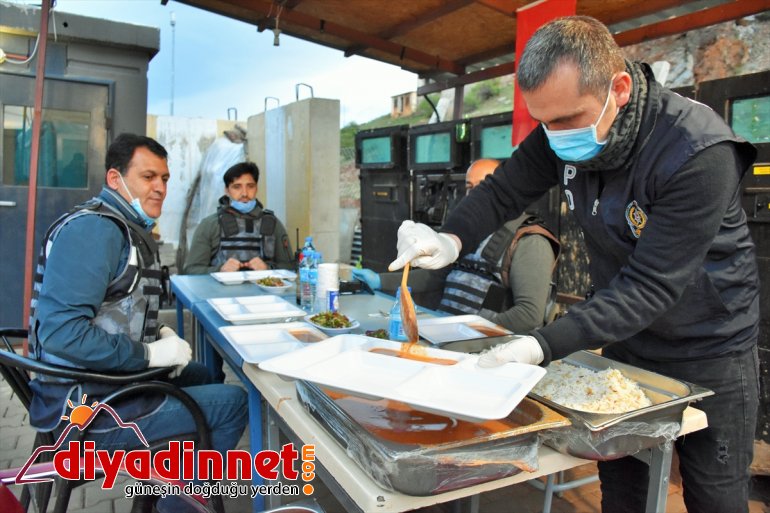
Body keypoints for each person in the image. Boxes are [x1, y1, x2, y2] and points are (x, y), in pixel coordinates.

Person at [388, 16, 759, 513]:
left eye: (565, 120)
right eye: (543, 120)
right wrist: (449, 238)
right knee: (623, 488)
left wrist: (540, 344)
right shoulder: (565, 126)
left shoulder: (698, 153)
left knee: (715, 496)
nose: (554, 135)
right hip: (628, 341)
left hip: (712, 345)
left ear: (619, 88)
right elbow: (503, 190)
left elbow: (649, 287)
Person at [28, 134, 248, 510]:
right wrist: (148, 354)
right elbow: (61, 333)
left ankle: (165, 480)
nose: (160, 188)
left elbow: (112, 306)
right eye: (148, 177)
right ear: (115, 179)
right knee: (233, 402)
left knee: (204, 376)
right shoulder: (95, 231)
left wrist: (155, 333)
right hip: (90, 411)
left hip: (100, 385)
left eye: (164, 178)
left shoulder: (120, 226)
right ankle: (177, 503)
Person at [353, 159, 560, 333]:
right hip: (444, 331)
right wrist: (380, 280)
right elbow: (437, 276)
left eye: (486, 186)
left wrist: (472, 330)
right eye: (470, 187)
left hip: (484, 343)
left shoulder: (529, 240)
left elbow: (529, 315)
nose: (477, 195)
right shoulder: (466, 233)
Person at [184, 161, 293, 274]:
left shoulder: (272, 223)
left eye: (250, 186)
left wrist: (267, 269)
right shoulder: (210, 225)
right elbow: (191, 271)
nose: (244, 193)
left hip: (264, 290)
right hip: (220, 291)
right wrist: (219, 270)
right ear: (227, 190)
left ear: (256, 188)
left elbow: (291, 268)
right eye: (237, 187)